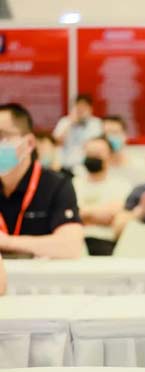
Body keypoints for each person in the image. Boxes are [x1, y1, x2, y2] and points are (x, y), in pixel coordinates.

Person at [0, 103, 84, 259]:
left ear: (29, 143)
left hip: (41, 273)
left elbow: (70, 246)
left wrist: (7, 242)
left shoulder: (56, 184)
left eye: (1, 136)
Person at [73, 136, 131, 255]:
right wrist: (97, 213)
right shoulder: (72, 184)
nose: (93, 157)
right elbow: (69, 214)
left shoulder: (122, 186)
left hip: (107, 243)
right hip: (75, 242)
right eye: (89, 153)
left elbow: (115, 214)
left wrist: (84, 214)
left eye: (97, 154)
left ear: (110, 156)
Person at [53, 94, 103, 169]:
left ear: (90, 109)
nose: (81, 110)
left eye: (84, 107)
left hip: (87, 165)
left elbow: (98, 144)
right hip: (66, 165)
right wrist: (70, 123)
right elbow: (57, 142)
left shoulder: (96, 123)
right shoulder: (65, 121)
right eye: (79, 106)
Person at [103, 115, 145, 186]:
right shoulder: (95, 169)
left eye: (114, 133)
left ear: (125, 136)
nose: (109, 137)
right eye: (105, 134)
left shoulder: (140, 166)